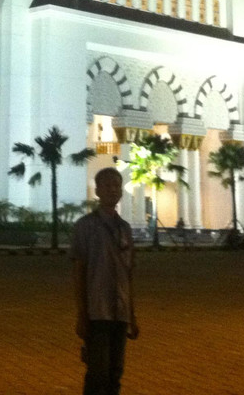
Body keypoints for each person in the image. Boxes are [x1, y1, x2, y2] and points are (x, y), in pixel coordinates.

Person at [70, 166, 138, 395]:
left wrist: (132, 316)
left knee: (115, 373)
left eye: (117, 185)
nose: (112, 190)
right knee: (97, 373)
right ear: (97, 191)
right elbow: (79, 271)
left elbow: (128, 274)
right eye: (107, 185)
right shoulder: (85, 226)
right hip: (97, 312)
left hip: (120, 311)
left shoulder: (125, 229)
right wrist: (82, 315)